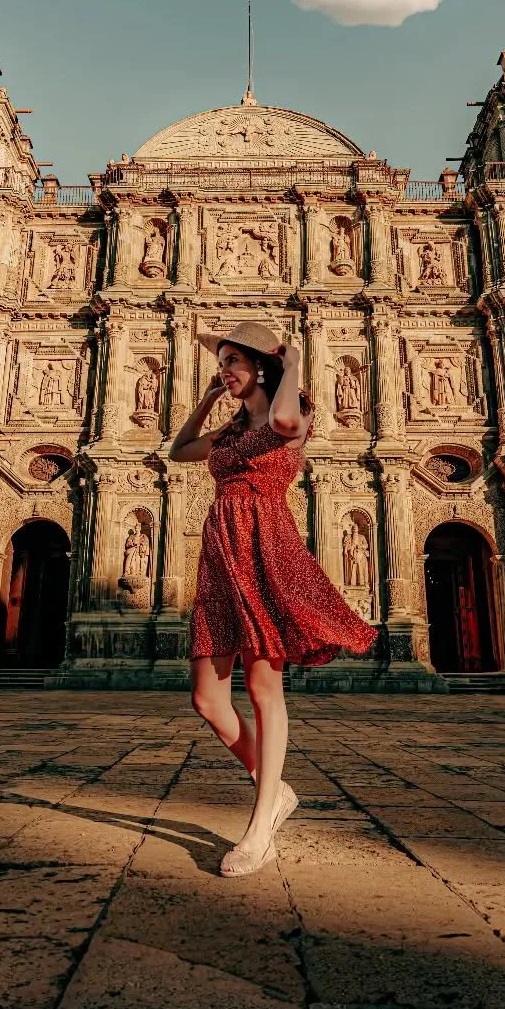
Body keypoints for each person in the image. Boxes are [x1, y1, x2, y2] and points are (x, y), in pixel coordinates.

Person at [170, 321, 377, 877]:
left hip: (266, 548)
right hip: (220, 554)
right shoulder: (231, 432)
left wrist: (295, 365)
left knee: (265, 688)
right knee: (207, 699)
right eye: (222, 363)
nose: (225, 371)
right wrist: (208, 398)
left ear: (262, 365)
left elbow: (284, 420)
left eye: (234, 363)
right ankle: (275, 788)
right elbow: (179, 451)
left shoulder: (295, 415)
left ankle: (259, 828)